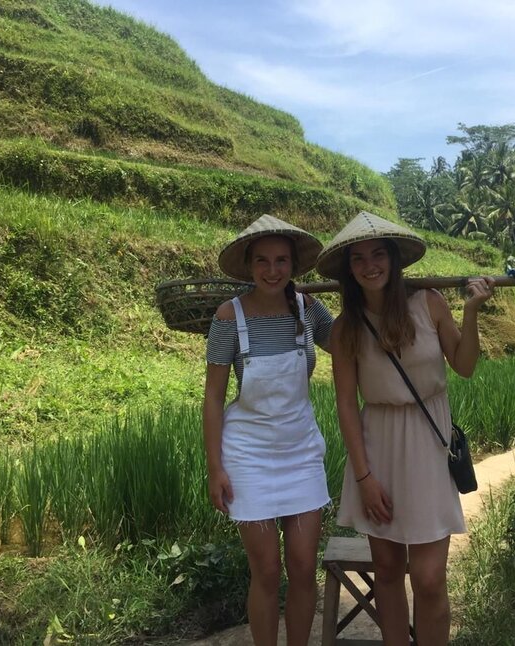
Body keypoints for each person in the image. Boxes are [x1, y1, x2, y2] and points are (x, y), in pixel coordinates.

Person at [316, 211, 495, 645]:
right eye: (358, 258)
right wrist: (364, 479)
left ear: (395, 260)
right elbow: (345, 403)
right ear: (349, 270)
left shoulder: (429, 303)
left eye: (379, 254)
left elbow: (465, 365)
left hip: (429, 446)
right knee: (390, 573)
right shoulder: (346, 329)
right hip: (378, 451)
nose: (369, 265)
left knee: (431, 578)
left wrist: (471, 310)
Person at [202, 214, 334, 646]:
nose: (272, 270)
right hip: (248, 458)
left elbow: (349, 341)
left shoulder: (309, 309)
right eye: (263, 261)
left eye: (281, 261)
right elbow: (213, 398)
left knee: (302, 566)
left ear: (293, 266)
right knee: (267, 572)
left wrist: (371, 292)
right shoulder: (228, 316)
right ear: (249, 265)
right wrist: (215, 467)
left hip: (301, 454)